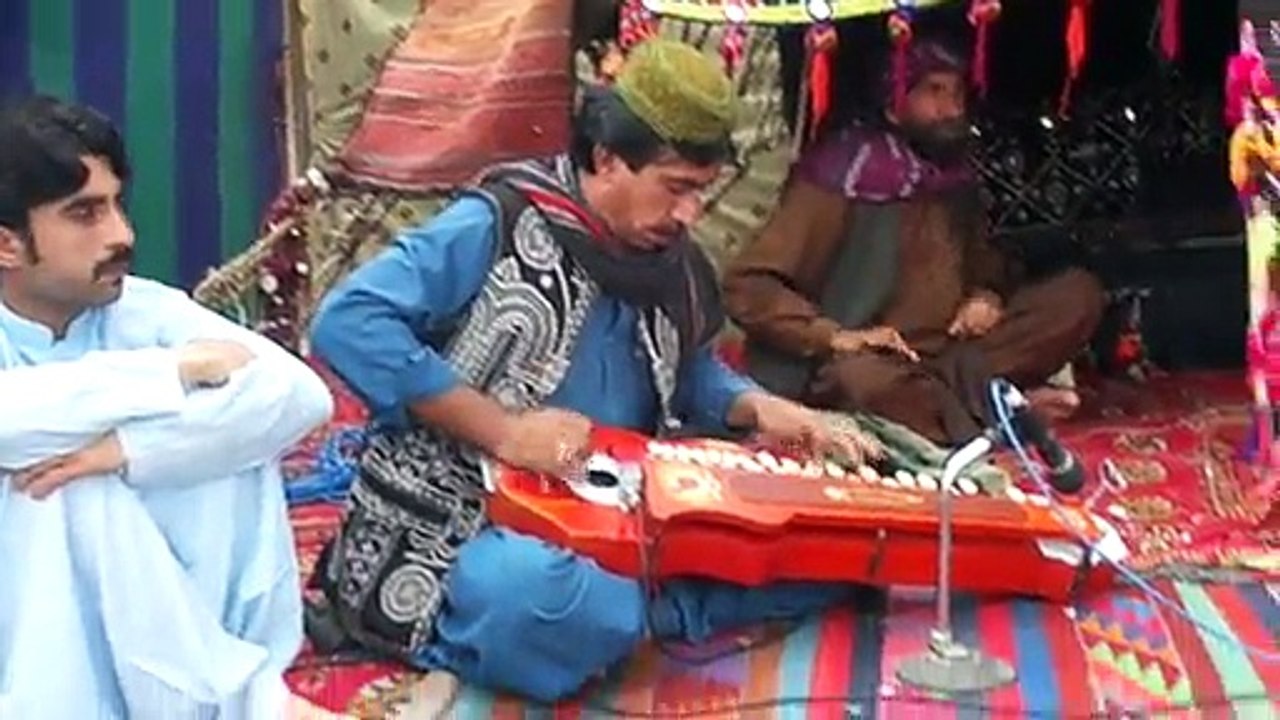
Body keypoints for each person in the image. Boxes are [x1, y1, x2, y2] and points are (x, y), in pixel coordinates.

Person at [308, 39, 881, 702]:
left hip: (613, 506)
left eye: (701, 191)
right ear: (606, 158)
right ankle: (647, 610)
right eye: (676, 188)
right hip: (466, 519)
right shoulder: (496, 223)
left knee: (828, 549)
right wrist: (503, 432)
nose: (690, 213)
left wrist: (762, 407)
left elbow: (686, 371)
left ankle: (635, 608)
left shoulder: (668, 262)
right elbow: (348, 322)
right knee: (542, 597)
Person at [0, 96, 334, 719]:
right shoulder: (154, 353)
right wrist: (167, 374)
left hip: (167, 649)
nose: (121, 235)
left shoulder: (137, 308)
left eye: (116, 205)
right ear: (7, 246)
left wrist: (127, 450)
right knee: (54, 484)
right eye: (84, 214)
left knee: (222, 442)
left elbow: (297, 395)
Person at [723, 38, 1106, 446]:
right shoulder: (841, 175)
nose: (952, 109)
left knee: (1076, 296)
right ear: (895, 103)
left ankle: (965, 412)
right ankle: (997, 415)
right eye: (934, 92)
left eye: (957, 94)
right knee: (860, 381)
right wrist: (832, 336)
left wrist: (986, 296)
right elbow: (749, 285)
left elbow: (990, 262)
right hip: (874, 361)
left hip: (956, 358)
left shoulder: (952, 177)